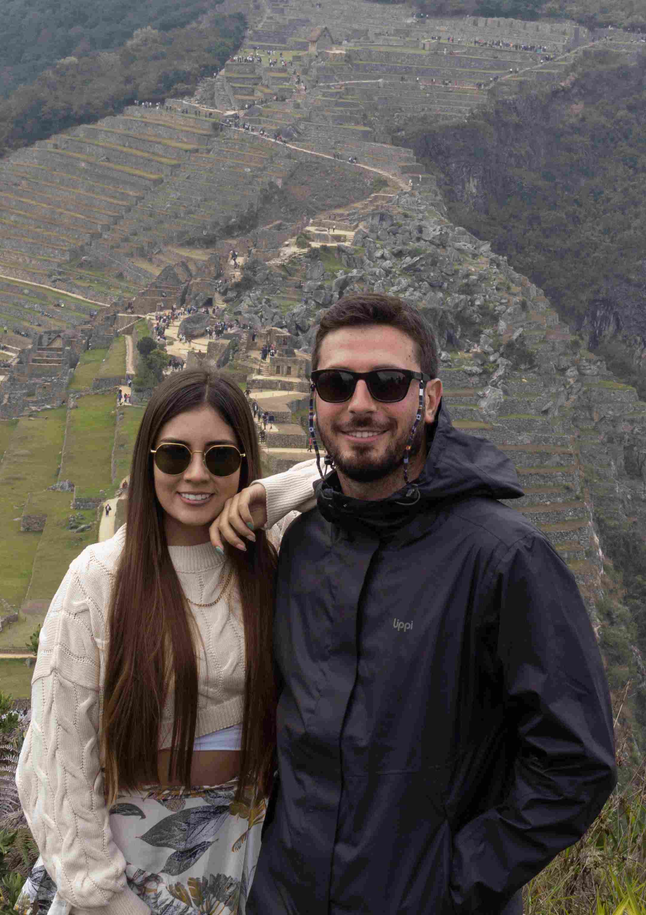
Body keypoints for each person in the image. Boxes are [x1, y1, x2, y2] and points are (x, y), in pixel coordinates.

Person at [212, 292, 618, 915]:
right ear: (315, 401)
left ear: (428, 399)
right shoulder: (302, 545)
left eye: (388, 383)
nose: (361, 404)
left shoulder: (504, 559)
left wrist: (452, 886)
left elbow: (575, 763)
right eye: (337, 383)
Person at [15, 369, 322, 915]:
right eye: (175, 456)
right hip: (124, 865)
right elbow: (56, 760)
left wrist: (267, 498)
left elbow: (361, 468)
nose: (197, 475)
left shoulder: (271, 552)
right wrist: (107, 898)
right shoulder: (99, 579)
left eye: (221, 457)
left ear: (245, 464)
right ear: (148, 460)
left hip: (236, 855)